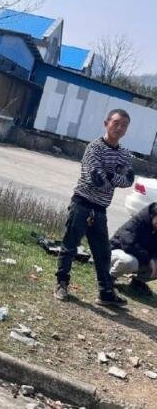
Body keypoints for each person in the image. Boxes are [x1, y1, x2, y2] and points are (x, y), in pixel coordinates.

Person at [54, 108, 134, 306]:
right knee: (70, 246)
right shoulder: (94, 148)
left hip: (100, 209)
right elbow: (95, 179)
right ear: (106, 123)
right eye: (116, 123)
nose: (119, 128)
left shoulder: (124, 154)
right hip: (82, 204)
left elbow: (128, 180)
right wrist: (113, 177)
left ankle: (105, 293)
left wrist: (108, 176)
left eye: (124, 125)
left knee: (103, 253)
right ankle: (61, 284)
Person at [109, 202, 157, 296]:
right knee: (129, 261)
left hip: (138, 256)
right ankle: (108, 279)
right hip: (115, 252)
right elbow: (129, 245)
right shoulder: (138, 220)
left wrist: (154, 259)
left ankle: (138, 282)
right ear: (154, 214)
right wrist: (149, 259)